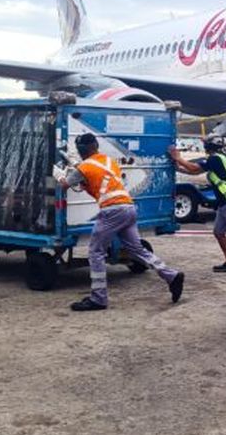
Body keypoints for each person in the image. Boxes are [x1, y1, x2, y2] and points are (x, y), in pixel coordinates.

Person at [58, 133, 184, 311]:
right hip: (128, 208)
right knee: (136, 249)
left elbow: (65, 185)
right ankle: (171, 275)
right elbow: (97, 177)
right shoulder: (109, 161)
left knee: (95, 252)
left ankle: (98, 298)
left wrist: (60, 176)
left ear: (81, 150)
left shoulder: (84, 167)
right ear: (96, 146)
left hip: (111, 210)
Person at [169, 135, 226, 272]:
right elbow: (195, 171)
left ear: (208, 147)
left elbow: (193, 167)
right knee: (219, 232)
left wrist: (178, 158)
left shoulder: (214, 159)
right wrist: (178, 167)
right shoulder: (219, 158)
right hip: (224, 204)